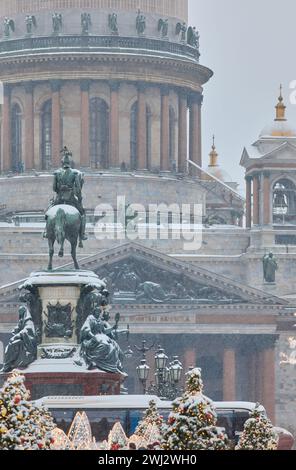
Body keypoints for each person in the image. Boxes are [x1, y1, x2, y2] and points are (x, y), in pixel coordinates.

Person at [44, 147, 87, 242]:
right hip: (71, 198)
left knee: (47, 213)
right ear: (70, 163)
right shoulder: (75, 173)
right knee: (83, 214)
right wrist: (78, 196)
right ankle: (82, 234)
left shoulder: (57, 173)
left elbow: (54, 188)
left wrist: (60, 189)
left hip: (59, 198)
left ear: (62, 163)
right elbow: (78, 189)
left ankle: (46, 231)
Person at [2, 306, 37, 372]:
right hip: (24, 340)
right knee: (11, 345)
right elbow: (18, 328)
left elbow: (27, 330)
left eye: (21, 313)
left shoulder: (29, 321)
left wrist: (17, 336)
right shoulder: (22, 321)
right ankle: (8, 364)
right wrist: (16, 330)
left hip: (28, 343)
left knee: (12, 345)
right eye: (20, 313)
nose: (20, 315)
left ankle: (8, 364)